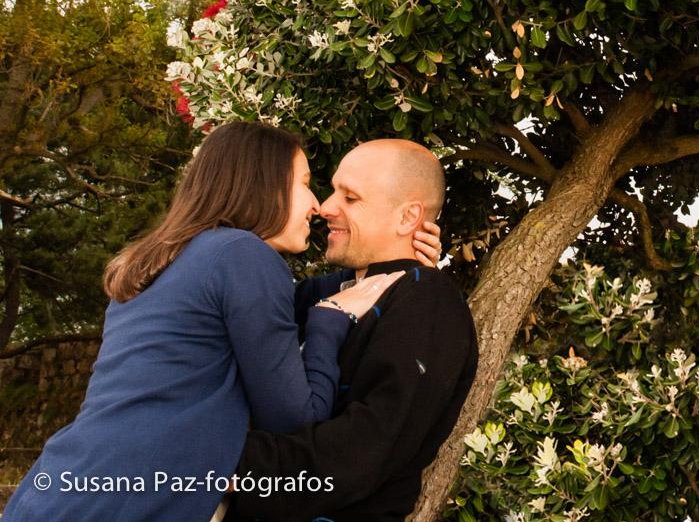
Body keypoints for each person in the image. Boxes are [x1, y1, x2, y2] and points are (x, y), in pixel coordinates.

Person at [3, 124, 441, 522]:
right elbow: (295, 417)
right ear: (261, 183)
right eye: (306, 184)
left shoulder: (169, 259)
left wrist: (390, 261)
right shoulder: (243, 255)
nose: (316, 205)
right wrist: (332, 320)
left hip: (67, 487)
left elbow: (285, 305)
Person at [225, 139, 478, 522]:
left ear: (408, 217)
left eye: (351, 198)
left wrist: (221, 461)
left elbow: (362, 450)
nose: (325, 207)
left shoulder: (429, 303)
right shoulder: (329, 292)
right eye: (332, 191)